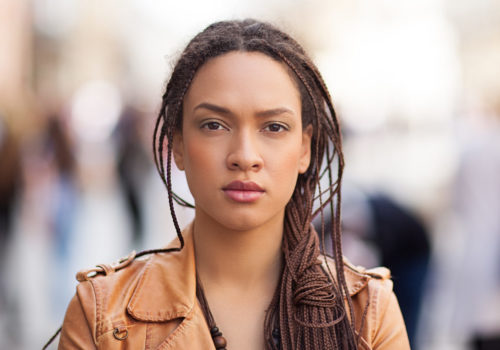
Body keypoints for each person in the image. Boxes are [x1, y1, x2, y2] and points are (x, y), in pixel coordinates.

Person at [53, 19, 410, 350]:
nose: (244, 156)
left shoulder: (368, 312)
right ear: (176, 145)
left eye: (273, 127)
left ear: (305, 148)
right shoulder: (102, 313)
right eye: (214, 125)